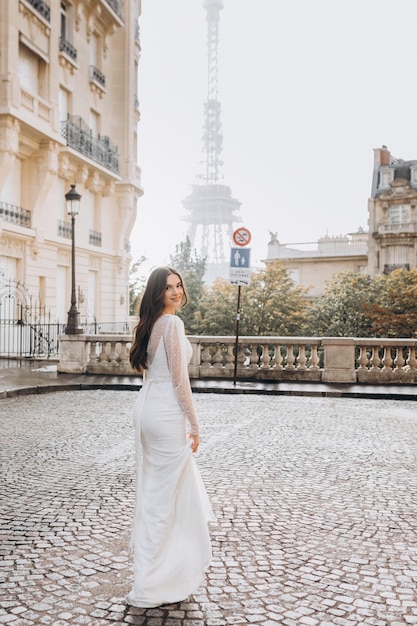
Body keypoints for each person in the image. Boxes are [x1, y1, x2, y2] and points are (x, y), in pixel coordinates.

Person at [127, 266, 213, 608]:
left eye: (178, 285)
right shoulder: (172, 324)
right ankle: (153, 581)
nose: (176, 292)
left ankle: (153, 573)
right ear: (157, 293)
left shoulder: (150, 325)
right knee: (164, 501)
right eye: (168, 288)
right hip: (164, 413)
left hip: (146, 408)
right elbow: (180, 380)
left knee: (154, 495)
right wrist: (195, 424)